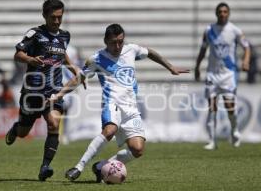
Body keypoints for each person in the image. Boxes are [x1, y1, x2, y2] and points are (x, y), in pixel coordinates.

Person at [49, 23, 189, 182]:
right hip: (111, 104)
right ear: (105, 41)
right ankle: (78, 167)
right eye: (113, 42)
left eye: (120, 41)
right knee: (109, 130)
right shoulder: (97, 59)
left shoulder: (131, 49)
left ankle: (100, 166)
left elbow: (150, 52)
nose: (117, 46)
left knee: (137, 150)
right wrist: (59, 94)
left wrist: (170, 67)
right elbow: (78, 78)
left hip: (131, 109)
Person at [4, 0, 82, 181]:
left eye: (59, 17)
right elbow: (18, 54)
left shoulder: (65, 36)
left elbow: (62, 57)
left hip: (53, 91)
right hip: (32, 92)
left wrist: (75, 70)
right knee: (24, 132)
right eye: (53, 17)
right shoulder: (35, 34)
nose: (57, 21)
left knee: (54, 123)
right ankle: (16, 129)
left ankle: (45, 167)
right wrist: (29, 60)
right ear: (44, 16)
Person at [194, 2, 250, 150]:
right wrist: (197, 67)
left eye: (225, 11)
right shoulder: (209, 30)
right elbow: (203, 50)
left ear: (228, 13)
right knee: (212, 107)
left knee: (229, 107)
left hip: (228, 74)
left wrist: (245, 61)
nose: (222, 14)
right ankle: (212, 141)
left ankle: (235, 131)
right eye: (220, 11)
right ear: (216, 13)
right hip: (212, 74)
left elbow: (246, 46)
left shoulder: (235, 30)